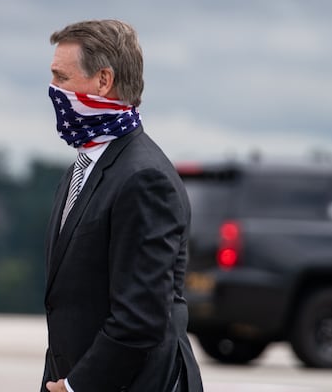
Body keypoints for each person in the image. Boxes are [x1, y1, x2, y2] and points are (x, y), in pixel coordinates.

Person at [41, 19, 203, 392]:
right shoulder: (83, 167)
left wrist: (76, 386)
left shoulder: (145, 177)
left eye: (61, 78)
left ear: (103, 81)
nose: (52, 91)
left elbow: (141, 316)